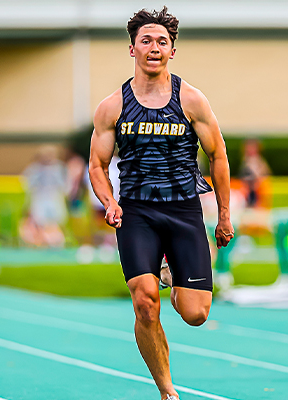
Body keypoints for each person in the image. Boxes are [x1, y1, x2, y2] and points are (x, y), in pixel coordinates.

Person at [88, 7, 233, 400]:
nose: (154, 48)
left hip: (184, 209)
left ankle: (172, 276)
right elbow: (97, 165)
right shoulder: (112, 106)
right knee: (145, 304)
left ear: (173, 51)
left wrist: (223, 216)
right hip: (136, 211)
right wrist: (109, 201)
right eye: (146, 41)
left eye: (162, 42)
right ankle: (167, 390)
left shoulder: (191, 100)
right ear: (132, 49)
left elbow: (218, 155)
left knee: (195, 314)